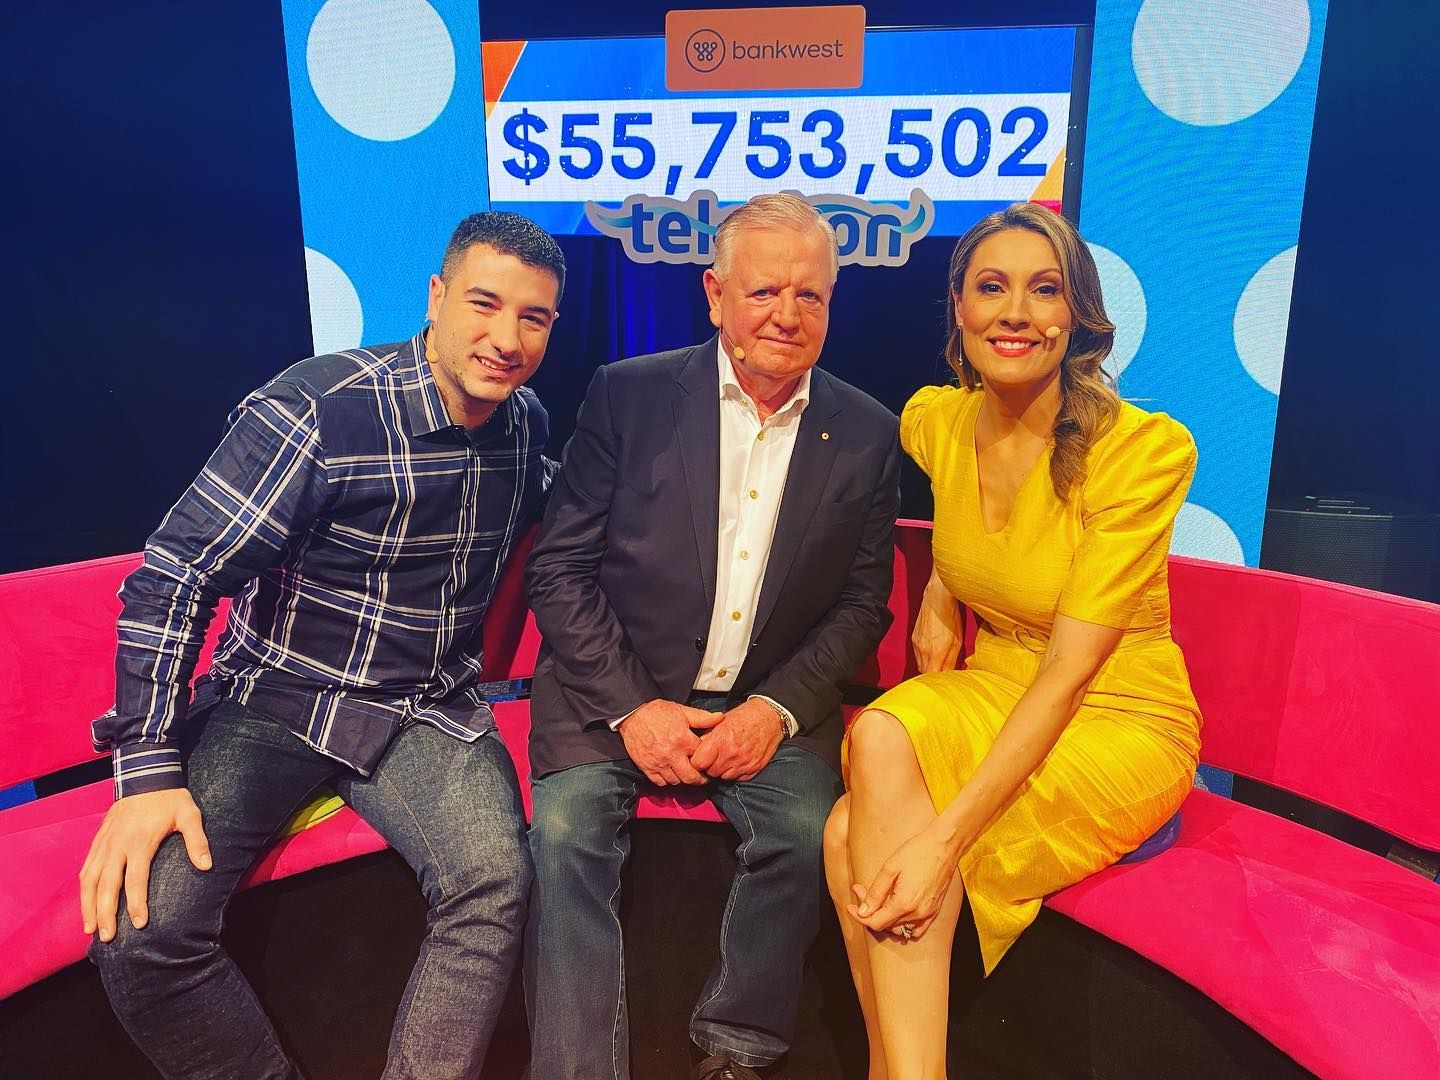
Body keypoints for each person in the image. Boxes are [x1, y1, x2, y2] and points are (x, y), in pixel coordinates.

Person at [81, 211, 565, 1080]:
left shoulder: (523, 425)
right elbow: (175, 574)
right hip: (277, 698)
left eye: (533, 318)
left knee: (495, 882)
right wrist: (146, 771)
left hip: (424, 708)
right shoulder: (319, 409)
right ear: (437, 295)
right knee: (143, 935)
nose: (506, 338)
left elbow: (583, 516)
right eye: (485, 304)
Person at [524, 193, 900, 1080]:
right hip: (612, 692)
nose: (787, 314)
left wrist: (774, 711)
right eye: (764, 291)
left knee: (805, 830)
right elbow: (560, 571)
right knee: (566, 833)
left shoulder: (869, 431)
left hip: (766, 703)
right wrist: (632, 709)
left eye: (810, 296)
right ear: (715, 294)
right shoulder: (629, 395)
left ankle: (737, 1049)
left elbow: (861, 605)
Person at [825, 202, 1202, 1079]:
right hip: (997, 684)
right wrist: (942, 589)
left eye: (1045, 290)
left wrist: (943, 843)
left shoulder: (1140, 452)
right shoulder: (937, 422)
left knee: (855, 827)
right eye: (992, 288)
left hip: (1116, 715)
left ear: (1077, 314)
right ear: (959, 307)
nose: (1017, 313)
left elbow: (1071, 671)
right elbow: (972, 518)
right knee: (875, 746)